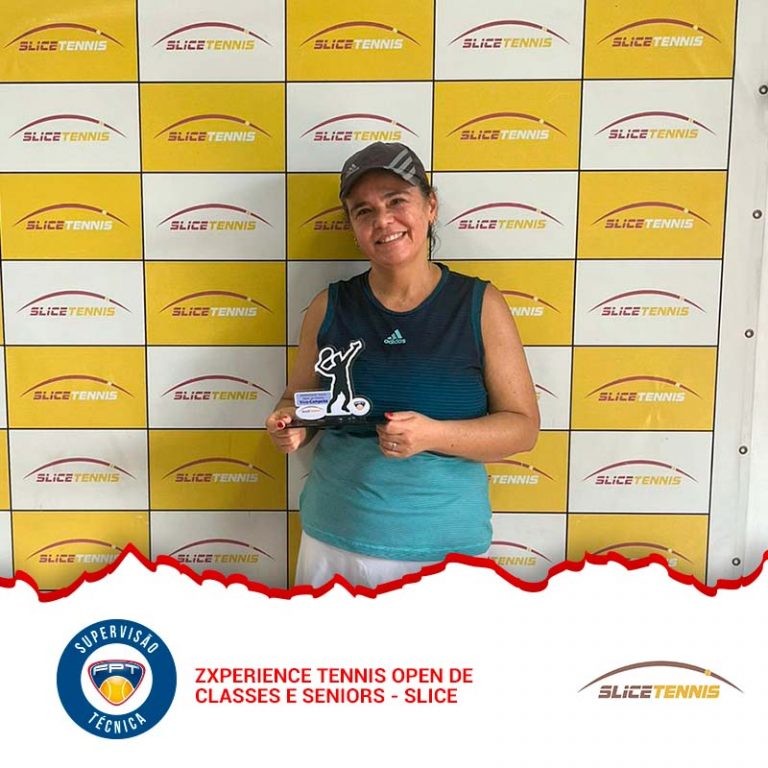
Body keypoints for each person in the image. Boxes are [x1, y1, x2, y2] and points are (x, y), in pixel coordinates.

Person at [266, 142, 539, 588]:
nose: (383, 220)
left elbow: (522, 429)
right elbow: (300, 401)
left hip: (446, 554)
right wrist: (291, 424)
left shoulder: (480, 305)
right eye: (364, 211)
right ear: (353, 227)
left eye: (397, 201)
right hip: (333, 544)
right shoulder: (329, 306)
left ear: (430, 206)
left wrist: (432, 434)